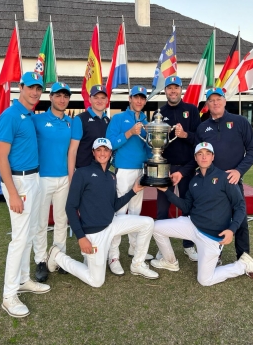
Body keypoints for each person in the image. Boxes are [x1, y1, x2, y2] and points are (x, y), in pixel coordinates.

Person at [46, 138, 159, 287]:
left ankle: (137, 264)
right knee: (96, 281)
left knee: (147, 223)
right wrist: (81, 237)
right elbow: (70, 207)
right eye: (98, 150)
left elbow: (113, 205)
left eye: (105, 150)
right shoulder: (82, 173)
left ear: (111, 153)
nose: (102, 153)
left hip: (112, 224)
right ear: (93, 152)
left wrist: (133, 191)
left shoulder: (111, 176)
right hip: (94, 233)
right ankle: (58, 256)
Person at [150, 142, 253, 286]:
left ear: (213, 157)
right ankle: (170, 261)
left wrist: (232, 229)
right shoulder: (194, 181)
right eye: (200, 154)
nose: (204, 157)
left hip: (210, 237)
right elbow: (187, 206)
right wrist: (166, 191)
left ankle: (242, 265)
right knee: (155, 227)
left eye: (207, 153)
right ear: (195, 158)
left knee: (204, 280)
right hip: (192, 225)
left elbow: (240, 206)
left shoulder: (224, 177)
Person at [0, 71, 50, 318]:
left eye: (39, 88)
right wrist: (13, 193)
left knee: (30, 233)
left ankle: (23, 279)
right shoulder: (10, 115)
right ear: (21, 86)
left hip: (34, 178)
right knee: (19, 238)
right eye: (31, 87)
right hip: (18, 181)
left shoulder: (29, 115)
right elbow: (0, 157)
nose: (35, 92)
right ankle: (8, 295)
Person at [194, 88, 253, 270]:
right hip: (211, 182)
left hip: (232, 180)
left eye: (218, 99)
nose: (215, 103)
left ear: (224, 101)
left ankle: (244, 259)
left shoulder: (239, 122)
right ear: (207, 105)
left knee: (240, 220)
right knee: (214, 219)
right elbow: (199, 154)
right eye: (211, 100)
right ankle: (215, 255)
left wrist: (239, 171)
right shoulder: (202, 127)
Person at [105, 85, 154, 276]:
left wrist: (155, 156)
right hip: (123, 169)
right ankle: (113, 255)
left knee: (135, 210)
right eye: (136, 98)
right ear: (130, 99)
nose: (139, 101)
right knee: (119, 210)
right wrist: (130, 132)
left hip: (141, 169)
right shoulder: (118, 118)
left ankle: (134, 247)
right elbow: (110, 143)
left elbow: (148, 147)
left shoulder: (146, 120)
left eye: (142, 98)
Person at [156, 76, 202, 261]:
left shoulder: (191, 110)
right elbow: (157, 145)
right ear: (165, 91)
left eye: (176, 88)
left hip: (187, 168)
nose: (173, 91)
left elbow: (199, 141)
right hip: (165, 168)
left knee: (188, 208)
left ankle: (188, 245)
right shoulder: (159, 112)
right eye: (169, 88)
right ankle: (162, 245)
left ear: (181, 90)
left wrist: (185, 135)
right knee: (162, 209)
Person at [31, 82, 73, 283]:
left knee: (61, 220)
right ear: (51, 97)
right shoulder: (37, 120)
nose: (62, 99)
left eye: (65, 96)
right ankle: (40, 259)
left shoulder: (70, 123)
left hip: (64, 178)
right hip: (42, 178)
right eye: (58, 95)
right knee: (40, 222)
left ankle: (58, 257)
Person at [69, 85, 110, 178]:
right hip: (83, 172)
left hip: (102, 173)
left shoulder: (108, 121)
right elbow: (72, 150)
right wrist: (71, 178)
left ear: (107, 100)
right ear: (90, 99)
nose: (99, 101)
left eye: (103, 98)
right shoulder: (80, 119)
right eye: (96, 98)